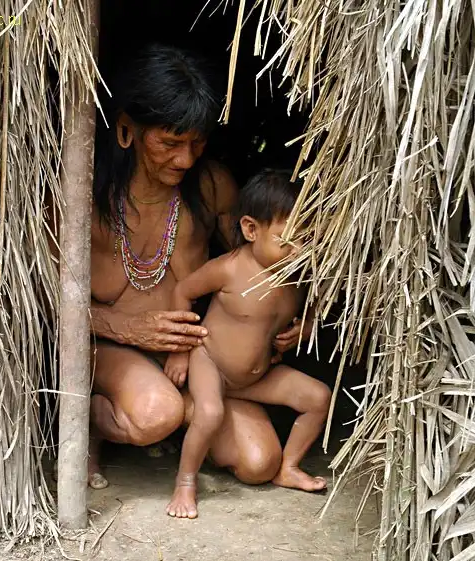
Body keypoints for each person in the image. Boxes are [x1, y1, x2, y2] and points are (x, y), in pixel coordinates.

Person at [88, 43, 313, 490]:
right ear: (127, 129)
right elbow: (38, 304)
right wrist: (125, 328)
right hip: (110, 349)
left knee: (260, 462)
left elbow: (265, 267)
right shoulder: (83, 199)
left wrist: (292, 323)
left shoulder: (212, 188)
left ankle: (183, 417)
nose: (186, 159)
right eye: (170, 143)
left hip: (198, 359)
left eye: (196, 142)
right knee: (157, 412)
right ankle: (94, 420)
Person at [163, 170, 331, 519]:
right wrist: (179, 351)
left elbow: (314, 306)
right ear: (251, 229)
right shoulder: (230, 268)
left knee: (318, 397)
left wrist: (305, 328)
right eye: (288, 240)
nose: (299, 250)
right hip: (212, 364)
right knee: (210, 412)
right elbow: (183, 291)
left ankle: (288, 467)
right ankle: (185, 482)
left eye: (307, 239)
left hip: (254, 379)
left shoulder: (299, 275)